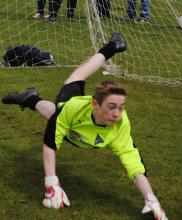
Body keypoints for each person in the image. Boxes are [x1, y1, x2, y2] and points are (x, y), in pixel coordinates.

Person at [2, 33, 168, 219]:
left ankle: (30, 97)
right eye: (111, 107)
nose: (116, 114)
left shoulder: (121, 124)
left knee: (55, 113)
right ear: (95, 105)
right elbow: (50, 144)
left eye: (121, 108)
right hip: (71, 119)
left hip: (73, 128)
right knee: (74, 81)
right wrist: (52, 184)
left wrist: (151, 199)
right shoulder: (74, 107)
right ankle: (112, 46)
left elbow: (134, 165)